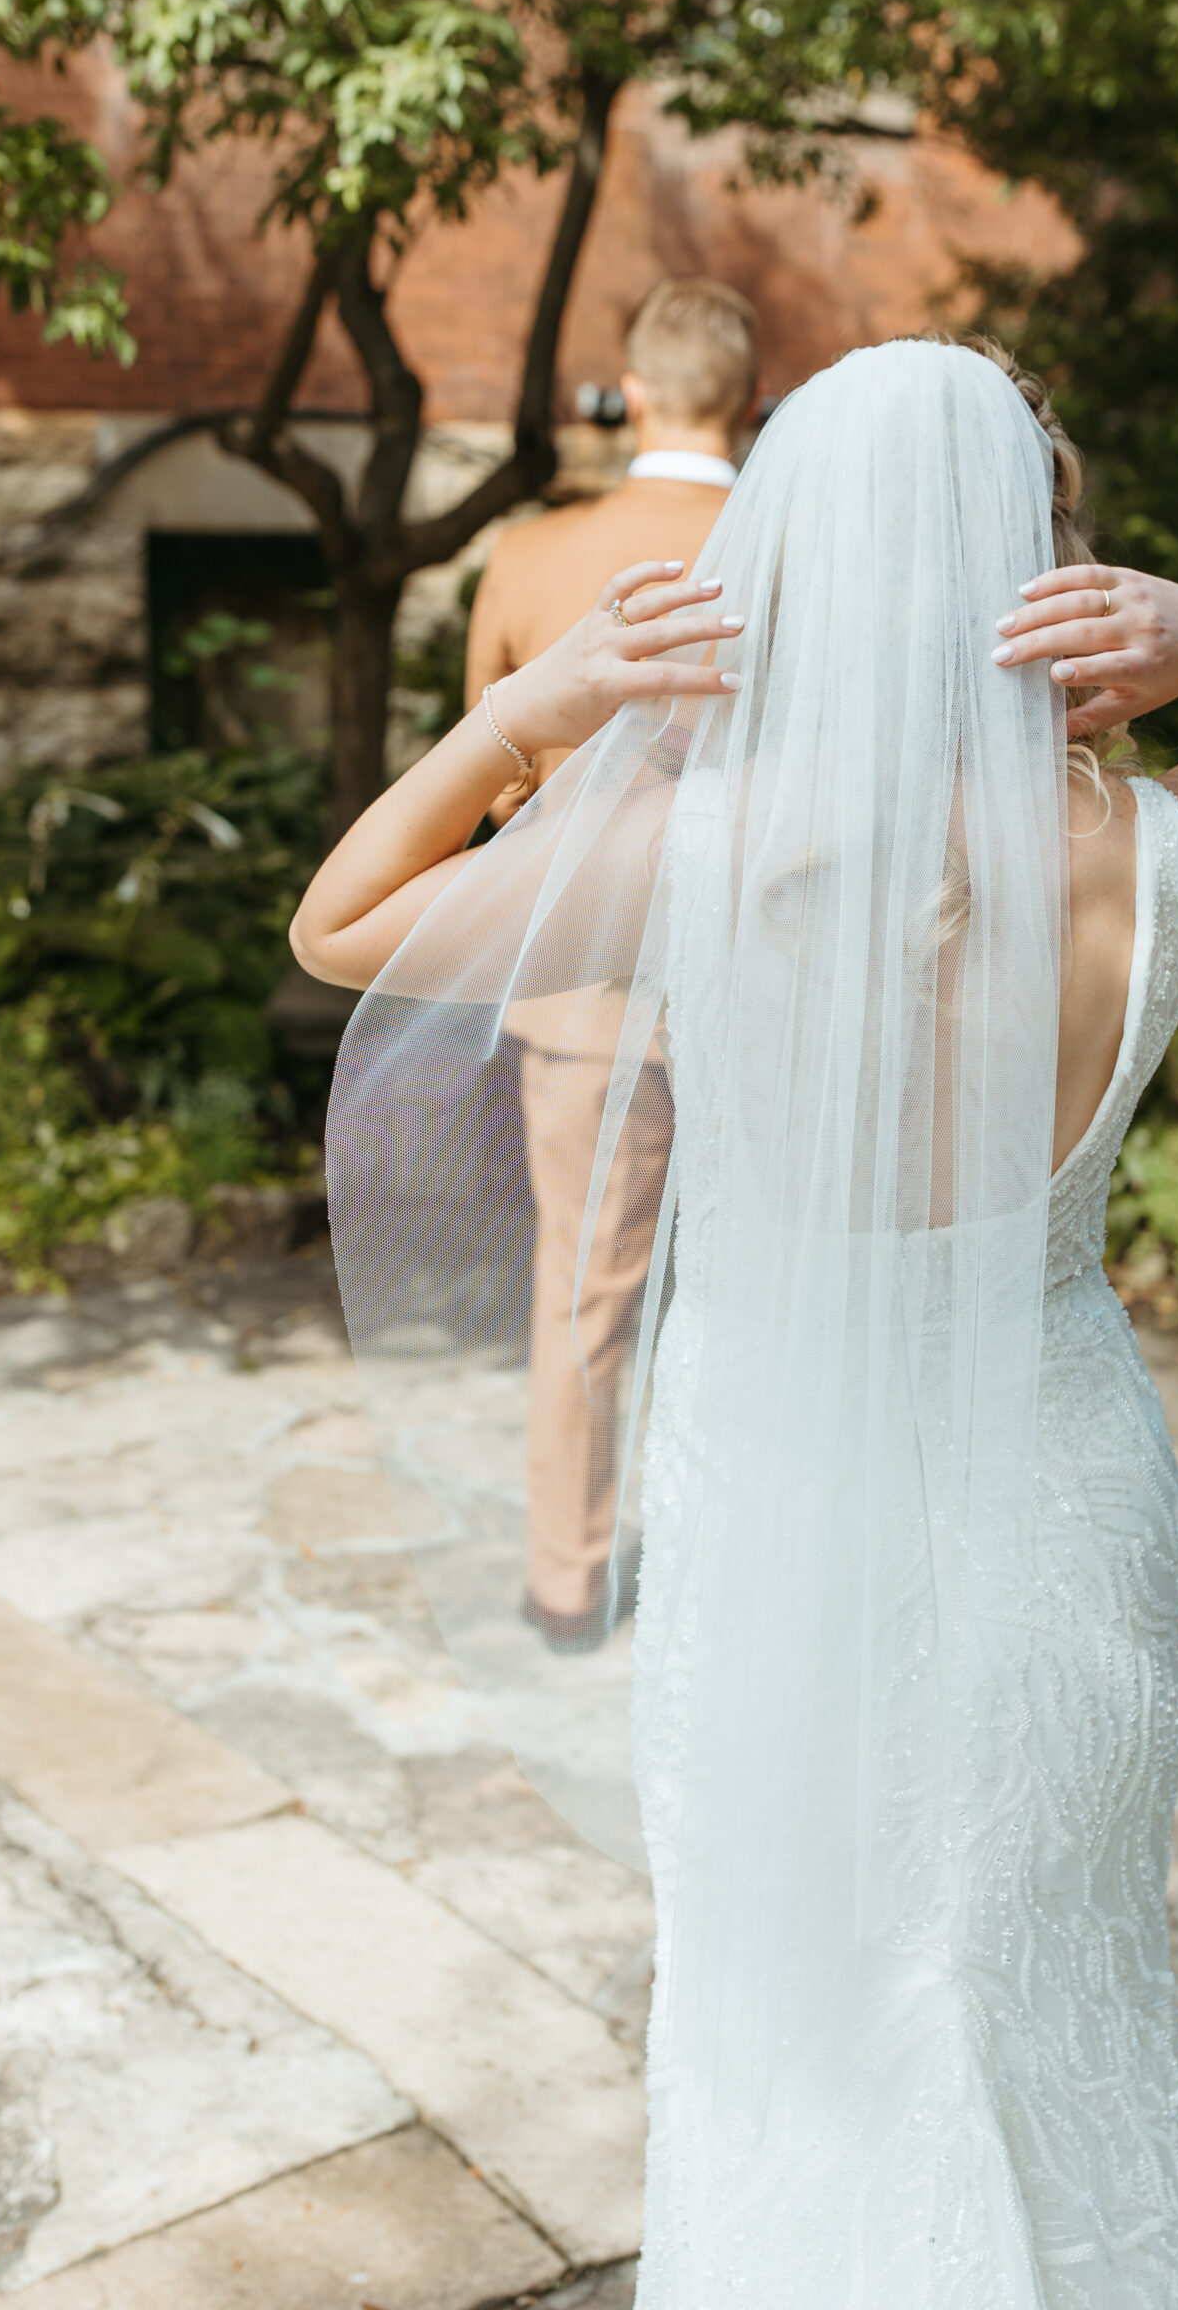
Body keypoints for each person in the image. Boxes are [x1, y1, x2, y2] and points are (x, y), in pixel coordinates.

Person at [294, 337, 1178, 2307]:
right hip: (1059, 1496)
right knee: (1029, 1973)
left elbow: (341, 924)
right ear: (1041, 567)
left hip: (771, 1504)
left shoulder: (697, 855)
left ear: (785, 568)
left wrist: (536, 709)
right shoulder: (1159, 854)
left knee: (791, 1992)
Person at [462, 277, 759, 1651]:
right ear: (748, 398)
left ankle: (567, 1580)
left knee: (586, 1292)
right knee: (785, 1289)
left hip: (589, 993)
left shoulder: (533, 554)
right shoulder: (796, 552)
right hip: (781, 985)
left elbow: (489, 774)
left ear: (629, 393)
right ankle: (759, 1564)